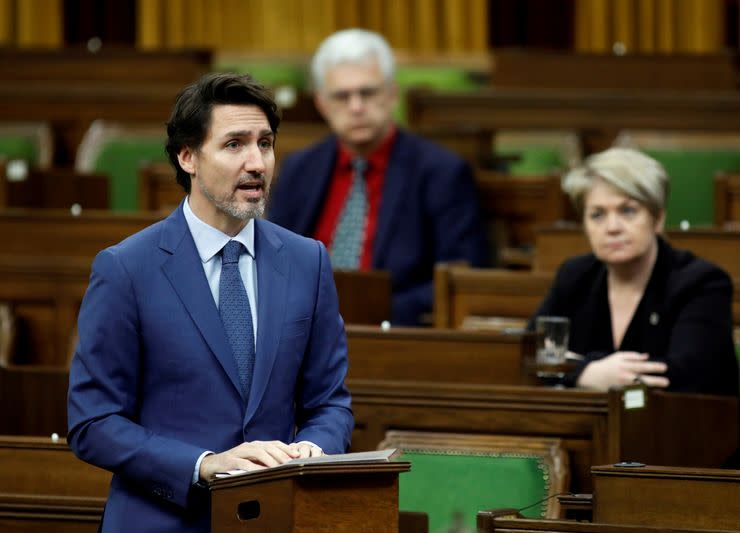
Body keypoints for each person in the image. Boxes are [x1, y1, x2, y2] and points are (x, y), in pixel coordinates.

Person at [67, 73, 354, 532]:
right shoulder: (126, 268)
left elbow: (329, 404)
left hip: (276, 519)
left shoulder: (307, 260)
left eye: (265, 143)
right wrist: (203, 464)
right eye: (234, 145)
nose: (256, 162)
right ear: (188, 157)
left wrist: (311, 454)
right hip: (163, 520)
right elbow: (93, 422)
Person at [529, 147, 740, 469]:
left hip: (702, 457)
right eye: (597, 214)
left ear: (657, 218)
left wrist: (583, 370)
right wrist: (588, 372)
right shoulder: (575, 276)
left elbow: (683, 376)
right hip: (601, 454)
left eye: (628, 211)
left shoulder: (701, 283)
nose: (611, 227)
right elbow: (531, 353)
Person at [269, 28, 488, 326]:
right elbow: (272, 263)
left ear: (392, 94)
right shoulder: (299, 169)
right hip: (300, 331)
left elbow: (463, 277)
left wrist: (369, 314)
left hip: (395, 334)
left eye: (368, 93)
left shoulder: (441, 173)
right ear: (322, 104)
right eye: (342, 96)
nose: (356, 107)